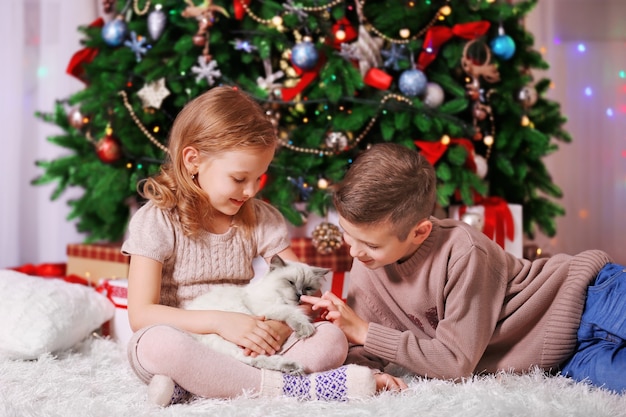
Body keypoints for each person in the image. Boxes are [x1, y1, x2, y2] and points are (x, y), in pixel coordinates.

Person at [122, 87, 396, 406]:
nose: (250, 191)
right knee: (158, 345)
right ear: (193, 160)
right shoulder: (156, 221)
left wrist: (280, 328)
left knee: (332, 339)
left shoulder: (261, 219)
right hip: (186, 337)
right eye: (239, 179)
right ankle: (296, 388)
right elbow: (141, 315)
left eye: (259, 178)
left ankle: (195, 385)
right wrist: (220, 322)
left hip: (250, 344)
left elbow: (307, 292)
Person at [302, 142, 625, 394]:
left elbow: (455, 362)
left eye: (371, 245)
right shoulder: (367, 270)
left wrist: (363, 330)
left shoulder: (462, 251)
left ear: (420, 231)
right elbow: (365, 348)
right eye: (347, 233)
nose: (355, 251)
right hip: (564, 357)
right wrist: (368, 374)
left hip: (590, 296)